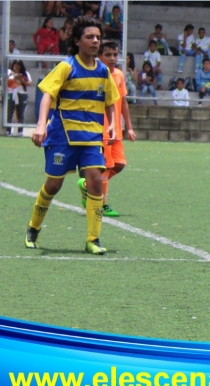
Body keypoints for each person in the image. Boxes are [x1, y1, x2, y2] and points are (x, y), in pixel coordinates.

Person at [25, 16, 119, 255]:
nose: (95, 41)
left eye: (98, 37)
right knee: (53, 185)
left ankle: (93, 239)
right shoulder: (67, 67)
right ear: (77, 41)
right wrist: (40, 125)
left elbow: (111, 100)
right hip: (62, 136)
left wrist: (112, 124)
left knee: (95, 181)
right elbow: (47, 94)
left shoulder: (103, 71)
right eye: (89, 37)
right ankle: (33, 228)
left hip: (91, 137)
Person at [78, 40, 136, 218]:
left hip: (115, 129)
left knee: (119, 164)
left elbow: (123, 102)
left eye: (115, 55)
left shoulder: (118, 75)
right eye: (108, 55)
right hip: (100, 130)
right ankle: (100, 204)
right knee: (104, 168)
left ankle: (88, 185)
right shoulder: (95, 75)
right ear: (99, 56)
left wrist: (129, 127)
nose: (112, 58)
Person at [6, 60, 32, 136]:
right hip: (11, 93)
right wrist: (12, 77)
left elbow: (29, 83)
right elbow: (5, 82)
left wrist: (21, 79)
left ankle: (20, 131)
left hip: (22, 94)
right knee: (9, 112)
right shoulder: (9, 72)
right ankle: (8, 130)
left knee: (21, 113)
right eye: (15, 66)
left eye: (18, 67)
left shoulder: (25, 73)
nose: (16, 68)